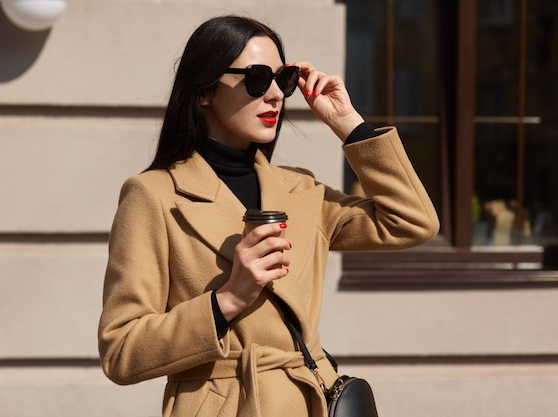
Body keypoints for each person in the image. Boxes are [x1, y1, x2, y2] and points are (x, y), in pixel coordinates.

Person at [98, 15, 439, 417]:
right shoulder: (154, 195)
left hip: (310, 400)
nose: (276, 94)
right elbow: (121, 350)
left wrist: (348, 123)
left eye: (284, 79)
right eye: (258, 78)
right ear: (205, 90)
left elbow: (413, 221)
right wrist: (227, 299)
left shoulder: (301, 191)